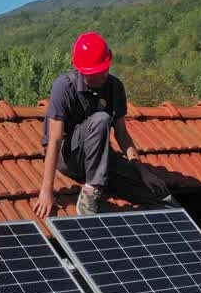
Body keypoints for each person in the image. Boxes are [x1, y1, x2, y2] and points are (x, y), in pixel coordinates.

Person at [33, 32, 177, 219]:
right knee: (101, 119)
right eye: (98, 71)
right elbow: (55, 140)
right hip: (68, 157)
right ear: (84, 71)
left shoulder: (114, 86)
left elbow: (122, 135)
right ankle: (92, 190)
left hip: (100, 156)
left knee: (158, 194)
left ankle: (199, 241)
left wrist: (142, 171)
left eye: (106, 68)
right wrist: (46, 190)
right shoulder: (64, 87)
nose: (104, 74)